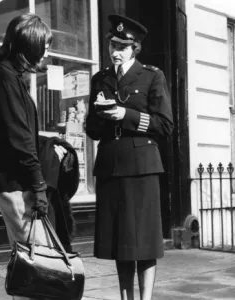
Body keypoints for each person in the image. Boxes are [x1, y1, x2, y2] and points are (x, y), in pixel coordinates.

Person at [85, 14, 174, 300]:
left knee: (144, 242)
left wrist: (127, 115)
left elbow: (165, 125)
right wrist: (101, 114)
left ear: (134, 48)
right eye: (113, 44)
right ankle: (127, 298)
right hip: (111, 166)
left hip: (142, 167)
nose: (115, 51)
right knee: (120, 243)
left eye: (122, 46)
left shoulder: (152, 76)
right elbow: (91, 129)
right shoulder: (101, 79)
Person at [0, 13, 68, 300]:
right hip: (17, 185)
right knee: (39, 265)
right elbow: (19, 140)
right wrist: (39, 186)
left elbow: (19, 134)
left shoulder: (8, 77)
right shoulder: (6, 79)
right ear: (28, 45)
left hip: (14, 182)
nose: (46, 52)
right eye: (42, 45)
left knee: (28, 263)